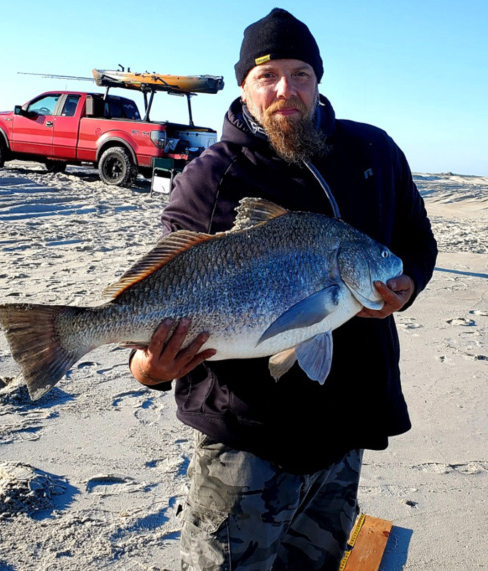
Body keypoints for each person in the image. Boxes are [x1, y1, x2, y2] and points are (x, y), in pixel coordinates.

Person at [129, 8, 437, 570]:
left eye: (300, 75)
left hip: (345, 431)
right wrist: (148, 370)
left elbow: (417, 241)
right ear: (244, 87)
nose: (284, 90)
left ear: (319, 82)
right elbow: (164, 287)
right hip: (246, 443)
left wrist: (407, 284)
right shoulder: (209, 176)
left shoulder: (375, 153)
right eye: (266, 77)